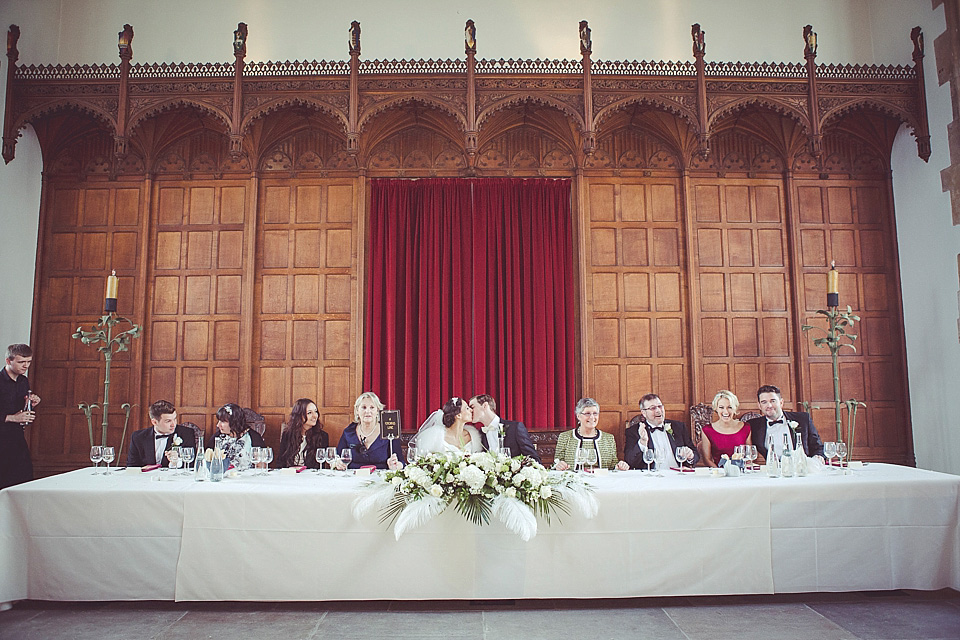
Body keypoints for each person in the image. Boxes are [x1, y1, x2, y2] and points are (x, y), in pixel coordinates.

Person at [747, 384, 824, 460]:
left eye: (773, 401)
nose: (769, 405)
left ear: (781, 402)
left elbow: (818, 446)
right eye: (764, 402)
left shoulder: (802, 419)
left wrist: (819, 456)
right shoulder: (753, 425)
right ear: (759, 406)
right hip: (772, 469)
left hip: (801, 468)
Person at [623, 393, 699, 469]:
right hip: (651, 478)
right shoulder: (634, 432)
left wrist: (690, 456)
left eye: (660, 406)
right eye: (653, 408)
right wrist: (642, 442)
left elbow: (696, 455)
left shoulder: (679, 427)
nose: (658, 411)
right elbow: (630, 461)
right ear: (644, 413)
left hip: (677, 475)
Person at [1, 344, 40, 488]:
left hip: (16, 438)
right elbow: (13, 414)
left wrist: (30, 404)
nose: (26, 366)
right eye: (21, 362)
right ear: (8, 361)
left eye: (28, 362)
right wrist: (13, 418)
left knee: (24, 478)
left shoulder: (23, 381)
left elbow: (19, 409)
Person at [554, 398, 629, 471]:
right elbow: (556, 462)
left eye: (595, 413)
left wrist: (620, 466)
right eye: (587, 414)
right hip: (574, 481)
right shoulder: (565, 437)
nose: (592, 417)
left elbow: (613, 465)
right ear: (578, 416)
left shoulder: (609, 438)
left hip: (601, 481)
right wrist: (559, 465)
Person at [336, 392, 403, 470]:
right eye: (363, 407)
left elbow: (401, 462)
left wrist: (396, 465)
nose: (368, 411)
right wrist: (338, 463)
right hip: (354, 477)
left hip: (380, 478)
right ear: (357, 411)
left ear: (378, 411)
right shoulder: (349, 432)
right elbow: (338, 457)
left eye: (372, 407)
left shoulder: (389, 431)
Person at [468, 393, 540, 461]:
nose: (470, 411)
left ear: (485, 406)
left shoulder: (515, 428)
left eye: (472, 407)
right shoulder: (479, 434)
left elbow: (533, 458)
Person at [127, 400, 197, 468]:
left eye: (175, 419)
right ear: (154, 422)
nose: (173, 424)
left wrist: (177, 462)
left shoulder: (186, 434)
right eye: (168, 421)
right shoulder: (138, 437)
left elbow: (191, 465)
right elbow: (132, 466)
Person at [411, 397, 482, 455]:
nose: (471, 410)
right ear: (458, 415)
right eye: (467, 408)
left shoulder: (473, 436)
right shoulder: (435, 436)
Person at [700, 390, 752, 467]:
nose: (726, 411)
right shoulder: (707, 430)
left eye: (730, 407)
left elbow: (749, 457)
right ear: (716, 408)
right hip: (719, 474)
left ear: (735, 409)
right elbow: (707, 459)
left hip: (741, 474)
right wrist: (720, 472)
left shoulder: (746, 428)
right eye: (721, 407)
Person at [210, 403, 264, 470]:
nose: (218, 425)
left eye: (223, 422)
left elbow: (261, 466)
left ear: (234, 422)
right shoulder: (217, 437)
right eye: (219, 421)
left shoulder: (253, 437)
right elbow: (207, 461)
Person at [277, 398, 328, 468]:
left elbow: (320, 465)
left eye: (315, 411)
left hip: (311, 476)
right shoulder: (287, 434)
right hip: (290, 475)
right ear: (299, 416)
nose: (315, 416)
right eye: (309, 413)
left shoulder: (322, 436)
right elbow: (280, 462)